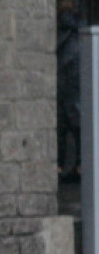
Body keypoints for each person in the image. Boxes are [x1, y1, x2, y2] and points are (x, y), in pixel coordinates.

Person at [57, 0, 82, 184]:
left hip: (68, 84)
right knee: (75, 125)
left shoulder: (65, 30)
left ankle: (62, 166)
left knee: (67, 125)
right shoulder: (77, 30)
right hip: (73, 84)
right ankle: (79, 166)